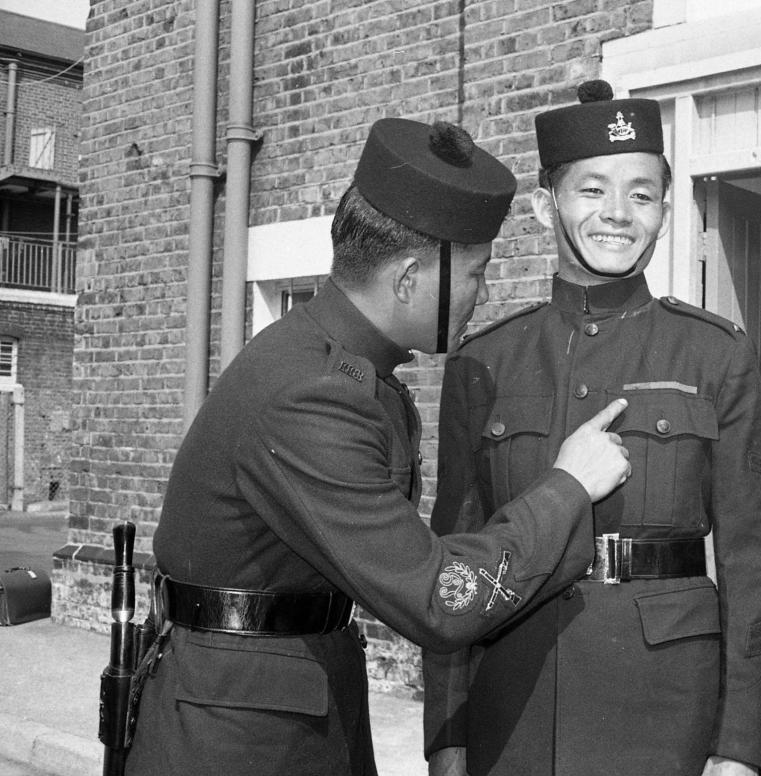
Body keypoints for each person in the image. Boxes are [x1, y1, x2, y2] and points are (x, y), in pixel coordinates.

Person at [125, 118, 632, 776]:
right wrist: (568, 487)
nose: (479, 296)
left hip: (286, 699)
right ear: (408, 277)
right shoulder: (311, 396)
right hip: (239, 738)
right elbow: (435, 598)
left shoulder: (346, 370)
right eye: (475, 275)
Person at [422, 80, 761, 776]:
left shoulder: (714, 353)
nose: (618, 214)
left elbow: (753, 567)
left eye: (642, 195)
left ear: (665, 211)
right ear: (542, 206)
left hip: (667, 710)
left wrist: (739, 747)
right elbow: (454, 565)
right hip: (517, 702)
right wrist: (448, 738)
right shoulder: (484, 363)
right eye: (592, 191)